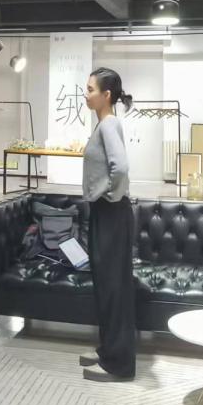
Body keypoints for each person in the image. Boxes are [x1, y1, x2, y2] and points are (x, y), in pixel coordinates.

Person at [79, 67, 136, 382]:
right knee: (106, 286)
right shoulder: (103, 125)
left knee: (114, 289)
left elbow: (121, 167)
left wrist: (111, 196)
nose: (86, 94)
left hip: (112, 213)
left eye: (90, 89)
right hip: (105, 213)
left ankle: (119, 364)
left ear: (106, 95)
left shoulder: (109, 124)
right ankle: (108, 351)